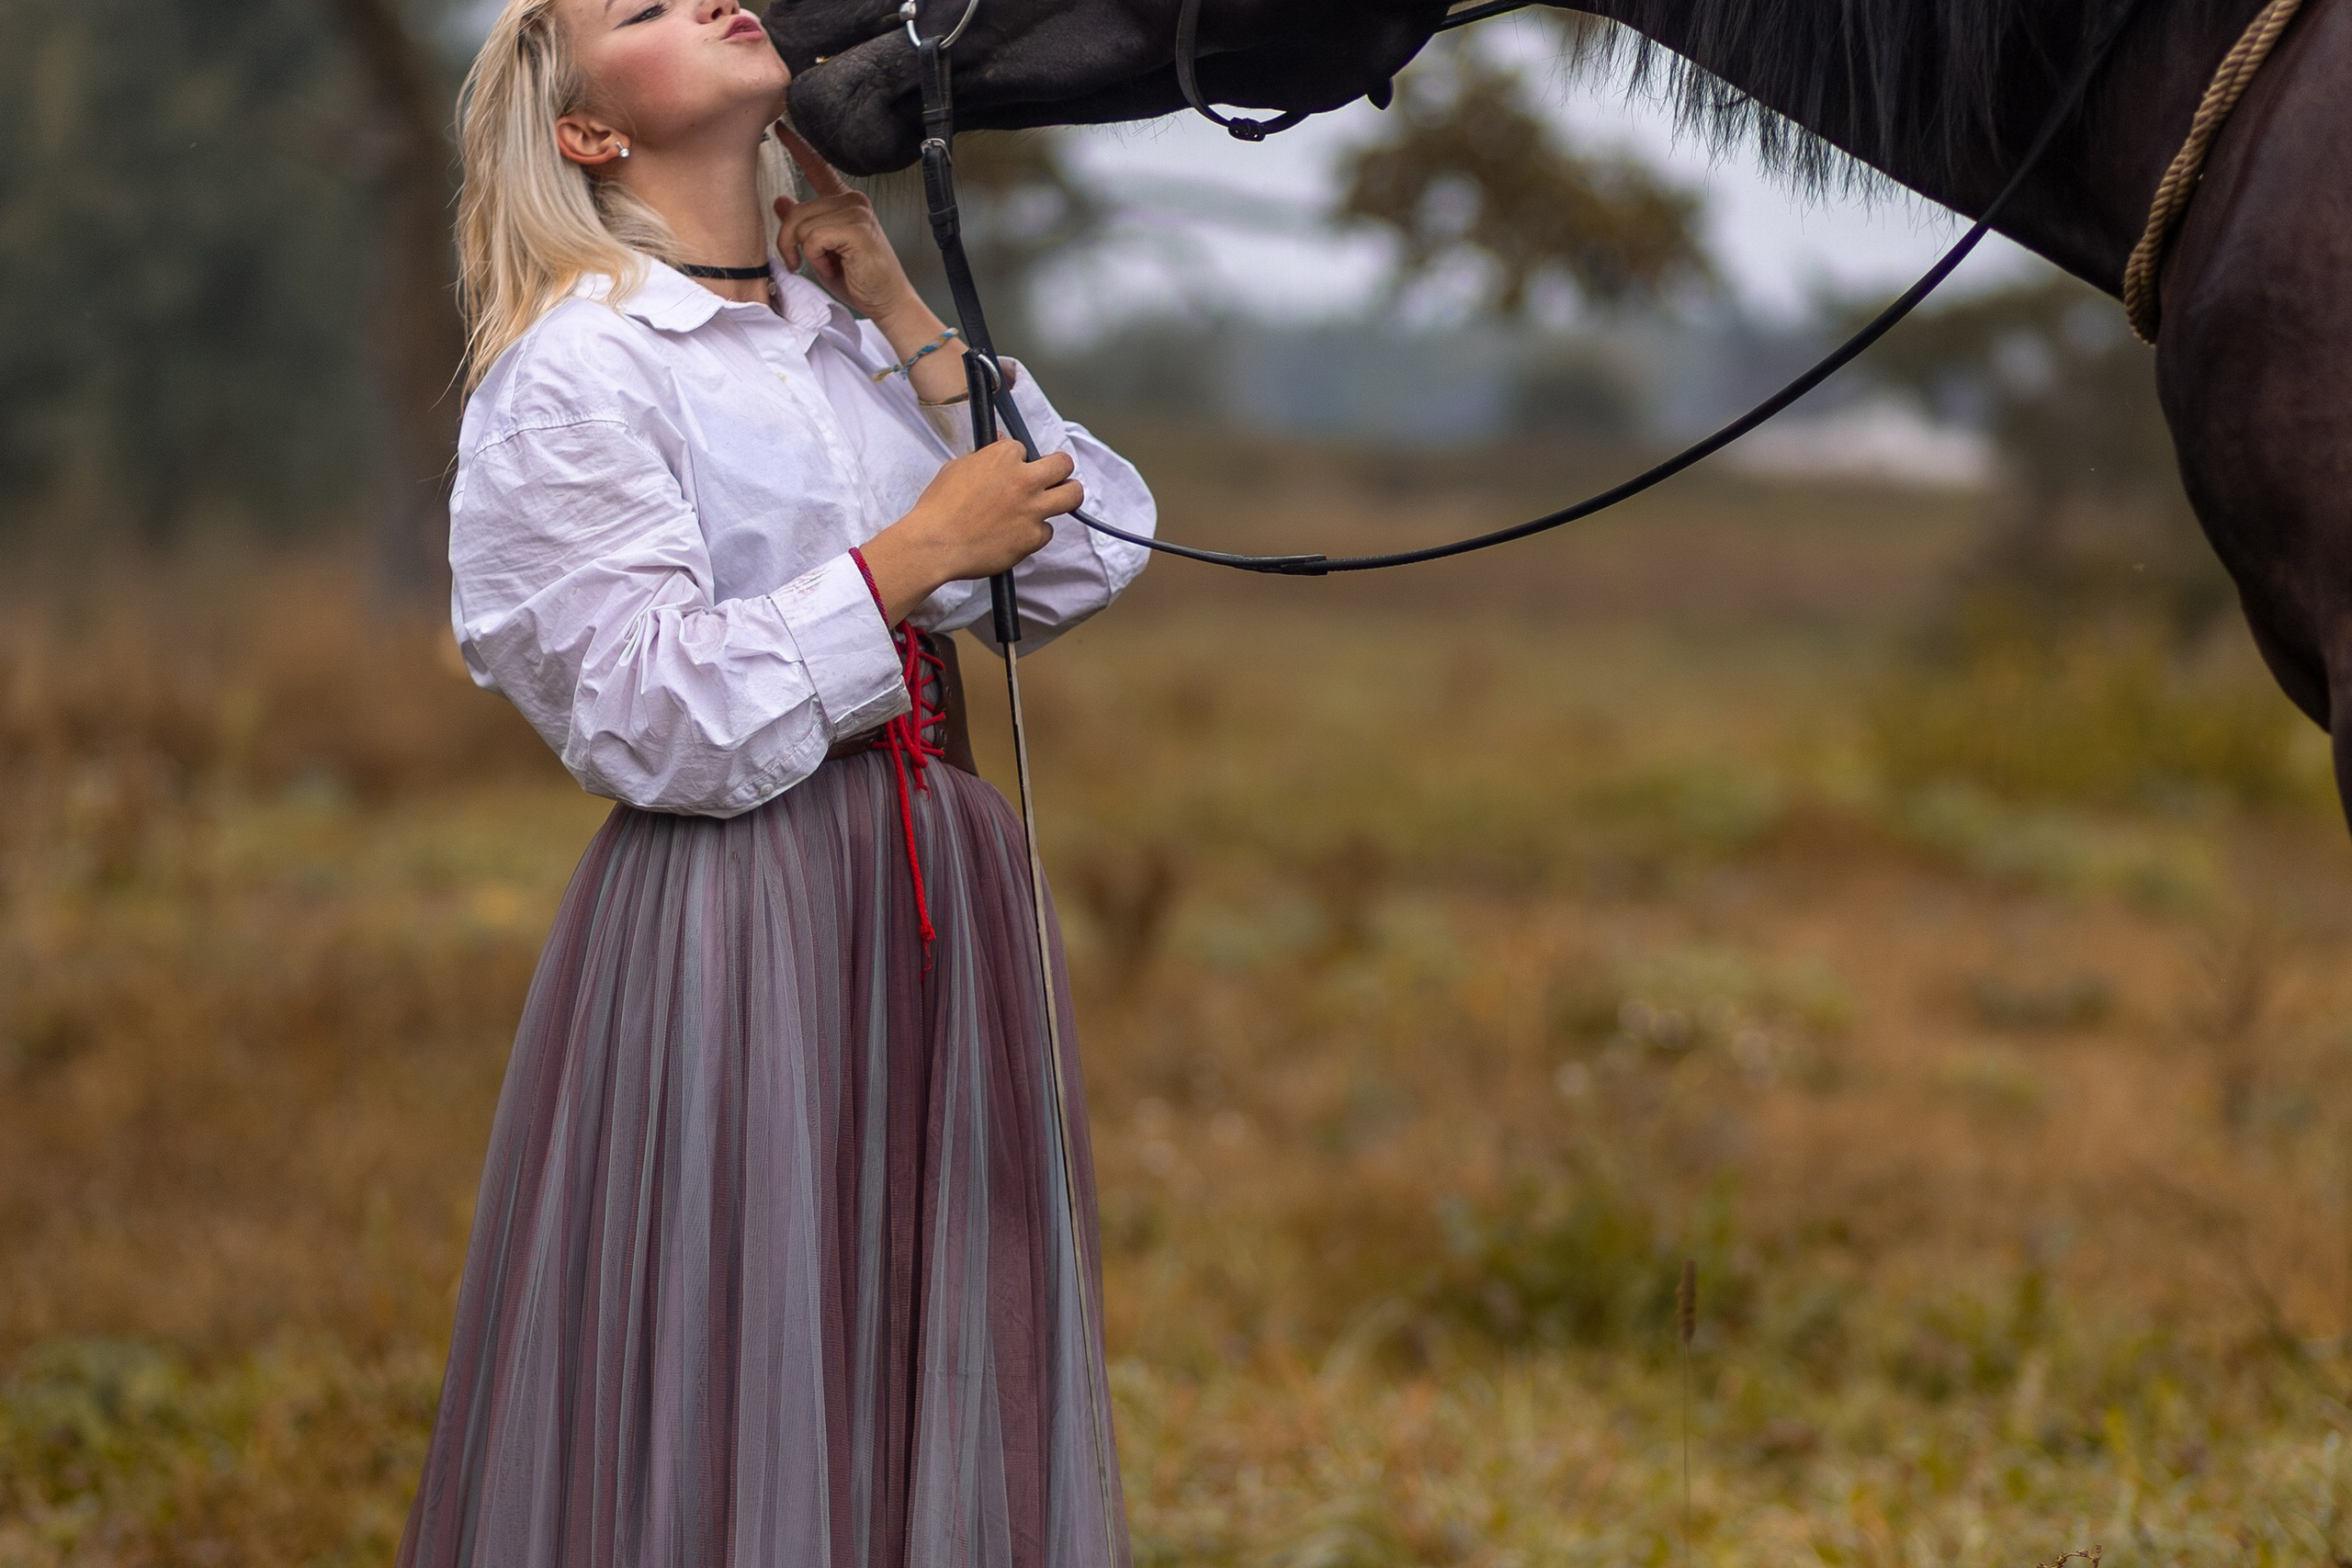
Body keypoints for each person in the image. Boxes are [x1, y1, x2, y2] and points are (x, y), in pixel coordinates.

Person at [397, 0, 1154, 1562]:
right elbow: (640, 711)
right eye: (647, 5)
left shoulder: (843, 335)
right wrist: (901, 566)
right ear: (589, 130)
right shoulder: (577, 368)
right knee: (744, 1345)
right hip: (741, 911)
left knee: (929, 1324)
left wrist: (901, 308)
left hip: (940, 881)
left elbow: (1084, 558)